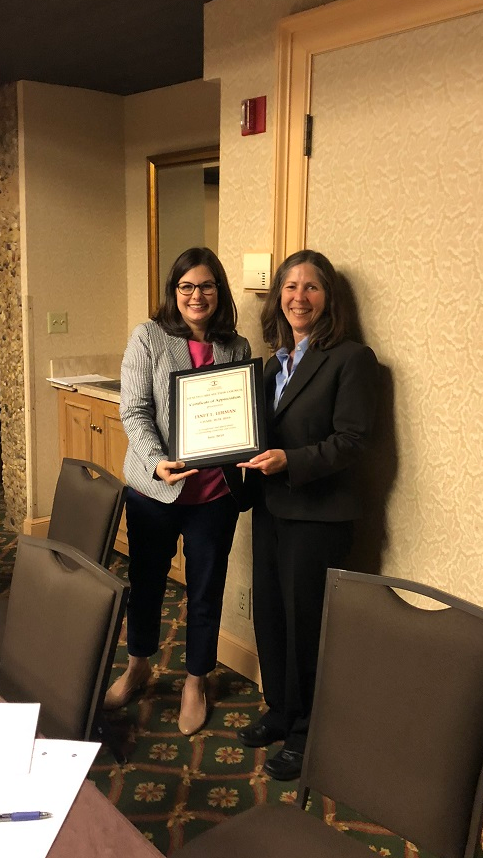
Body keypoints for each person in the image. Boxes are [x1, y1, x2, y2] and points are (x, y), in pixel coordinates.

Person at [237, 249, 378, 779]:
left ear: (329, 298)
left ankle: (305, 731)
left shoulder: (350, 358)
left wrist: (289, 461)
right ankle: (280, 710)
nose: (299, 297)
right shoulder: (274, 362)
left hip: (318, 517)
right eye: (290, 287)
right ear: (278, 298)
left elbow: (354, 440)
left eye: (311, 287)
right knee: (271, 615)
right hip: (272, 510)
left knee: (306, 627)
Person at [104, 247, 251, 736]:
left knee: (206, 591)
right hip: (155, 490)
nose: (196, 295)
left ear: (219, 292)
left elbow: (240, 416)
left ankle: (194, 680)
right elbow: (135, 410)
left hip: (214, 496)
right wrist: (154, 460)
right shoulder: (148, 337)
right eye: (186, 286)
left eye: (206, 286)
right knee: (146, 583)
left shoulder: (238, 347)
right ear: (174, 292)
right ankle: (139, 664)